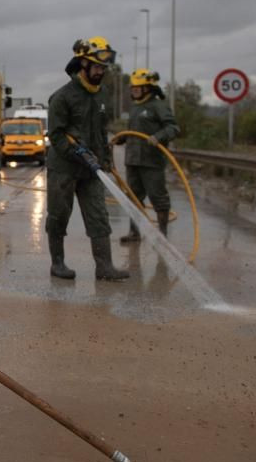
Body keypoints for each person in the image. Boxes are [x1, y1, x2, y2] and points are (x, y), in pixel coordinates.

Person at [45, 37, 129, 281]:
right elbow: (57, 136)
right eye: (97, 67)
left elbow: (102, 132)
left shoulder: (101, 94)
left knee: (99, 215)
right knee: (58, 215)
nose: (101, 71)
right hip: (64, 167)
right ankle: (57, 264)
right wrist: (78, 153)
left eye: (103, 68)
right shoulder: (61, 97)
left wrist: (105, 160)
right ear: (82, 64)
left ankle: (104, 267)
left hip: (92, 170)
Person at [113, 69, 179, 242]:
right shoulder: (135, 108)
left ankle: (162, 234)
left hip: (151, 161)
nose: (134, 90)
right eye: (133, 87)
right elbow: (133, 132)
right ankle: (134, 232)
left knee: (158, 198)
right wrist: (121, 138)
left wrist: (158, 137)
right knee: (133, 198)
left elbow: (173, 128)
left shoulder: (158, 106)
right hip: (133, 160)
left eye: (138, 87)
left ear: (148, 88)